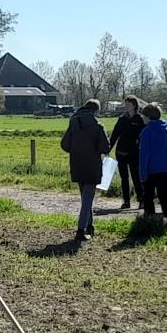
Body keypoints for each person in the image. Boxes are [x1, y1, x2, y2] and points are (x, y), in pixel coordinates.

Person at [60, 98, 109, 240]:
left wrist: (76, 150)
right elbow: (105, 148)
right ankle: (81, 230)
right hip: (92, 166)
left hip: (76, 164)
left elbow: (64, 144)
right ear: (96, 110)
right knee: (88, 199)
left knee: (86, 198)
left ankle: (90, 226)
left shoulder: (74, 122)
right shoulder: (98, 126)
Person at [137, 98, 167, 224]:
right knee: (164, 197)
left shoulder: (146, 131)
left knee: (148, 197)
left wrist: (142, 174)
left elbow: (144, 155)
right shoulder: (165, 129)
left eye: (143, 116)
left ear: (148, 117)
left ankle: (149, 220)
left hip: (151, 170)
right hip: (165, 169)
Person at [108, 96, 144, 210]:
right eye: (126, 104)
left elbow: (143, 136)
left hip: (134, 152)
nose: (127, 106)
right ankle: (126, 201)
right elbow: (115, 135)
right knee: (124, 177)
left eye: (129, 104)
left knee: (136, 176)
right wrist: (108, 149)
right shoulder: (122, 119)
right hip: (121, 152)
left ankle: (141, 199)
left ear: (134, 105)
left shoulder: (140, 119)